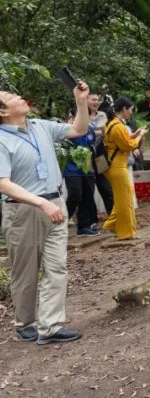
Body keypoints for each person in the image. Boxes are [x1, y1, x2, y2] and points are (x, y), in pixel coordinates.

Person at [1, 80, 91, 345]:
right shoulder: (2, 140)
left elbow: (78, 129)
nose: (18, 95)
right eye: (10, 96)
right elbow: (3, 183)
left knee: (57, 267)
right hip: (24, 210)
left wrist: (81, 102)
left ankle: (50, 326)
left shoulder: (41, 126)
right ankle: (25, 323)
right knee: (25, 271)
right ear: (3, 112)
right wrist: (40, 203)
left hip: (55, 204)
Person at [101, 98, 150, 240]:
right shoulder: (117, 126)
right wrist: (139, 136)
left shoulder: (113, 124)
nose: (131, 113)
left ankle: (111, 224)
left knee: (123, 198)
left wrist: (134, 134)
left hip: (115, 165)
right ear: (123, 109)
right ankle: (126, 233)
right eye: (130, 110)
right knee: (125, 202)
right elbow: (128, 146)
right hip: (117, 167)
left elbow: (122, 141)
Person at [62, 112, 99, 237]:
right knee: (75, 195)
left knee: (87, 196)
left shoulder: (90, 130)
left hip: (87, 169)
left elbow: (93, 145)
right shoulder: (66, 130)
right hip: (72, 169)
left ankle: (83, 226)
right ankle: (60, 223)